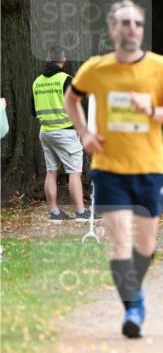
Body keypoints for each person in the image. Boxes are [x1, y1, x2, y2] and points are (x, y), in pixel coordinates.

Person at [64, 0, 163, 339]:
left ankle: (135, 290)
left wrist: (152, 110)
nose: (130, 28)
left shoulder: (161, 68)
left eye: (136, 23)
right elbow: (70, 99)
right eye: (124, 23)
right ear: (112, 29)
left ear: (142, 29)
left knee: (145, 245)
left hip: (150, 167)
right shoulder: (95, 68)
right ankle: (132, 307)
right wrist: (84, 132)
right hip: (108, 167)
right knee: (119, 241)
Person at [32, 47, 89, 223]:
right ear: (63, 60)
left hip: (45, 132)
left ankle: (54, 213)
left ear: (48, 59)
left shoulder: (37, 82)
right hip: (65, 132)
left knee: (51, 171)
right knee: (74, 172)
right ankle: (80, 212)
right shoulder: (66, 80)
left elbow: (34, 111)